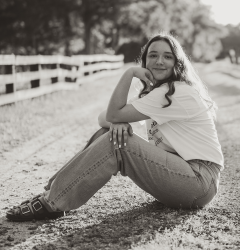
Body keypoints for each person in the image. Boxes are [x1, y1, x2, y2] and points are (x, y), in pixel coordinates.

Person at [6, 32, 224, 222]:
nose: (159, 61)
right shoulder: (159, 93)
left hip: (198, 181)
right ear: (145, 61)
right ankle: (53, 193)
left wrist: (128, 74)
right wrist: (118, 122)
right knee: (108, 133)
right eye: (153, 55)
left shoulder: (175, 92)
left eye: (168, 56)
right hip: (185, 176)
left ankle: (51, 202)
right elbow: (105, 119)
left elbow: (111, 114)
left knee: (118, 142)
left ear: (177, 62)